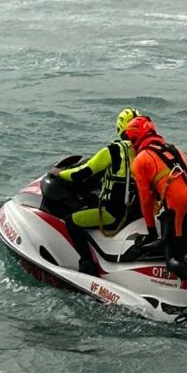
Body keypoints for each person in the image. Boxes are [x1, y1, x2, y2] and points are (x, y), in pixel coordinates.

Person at [123, 116, 187, 302]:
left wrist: (152, 232)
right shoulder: (174, 149)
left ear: (136, 138)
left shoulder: (141, 159)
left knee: (173, 260)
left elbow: (145, 200)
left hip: (179, 206)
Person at [51, 108, 142, 276]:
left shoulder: (113, 151)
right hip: (136, 213)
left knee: (71, 220)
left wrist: (60, 174)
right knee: (93, 200)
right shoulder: (144, 151)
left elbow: (82, 173)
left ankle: (87, 263)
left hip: (114, 215)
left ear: (120, 127)